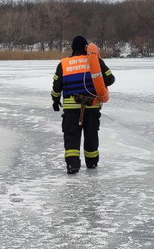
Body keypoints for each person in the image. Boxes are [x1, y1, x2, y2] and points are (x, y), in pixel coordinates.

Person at [50, 36, 116, 174]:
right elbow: (110, 79)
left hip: (71, 109)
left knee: (71, 137)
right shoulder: (94, 61)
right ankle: (92, 163)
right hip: (91, 107)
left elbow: (57, 87)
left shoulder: (64, 64)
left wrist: (55, 101)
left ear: (72, 48)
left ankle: (72, 165)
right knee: (91, 135)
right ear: (86, 47)